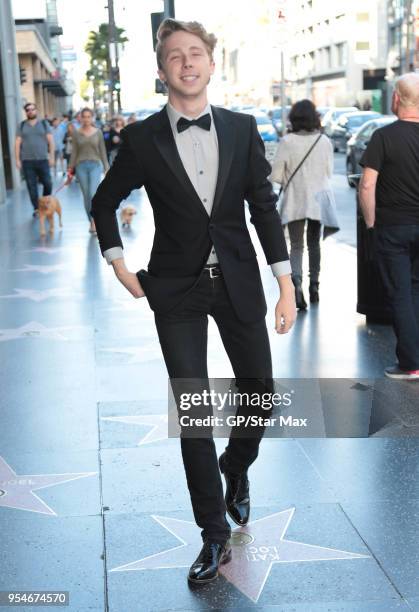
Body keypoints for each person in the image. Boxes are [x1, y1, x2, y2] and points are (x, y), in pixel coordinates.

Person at [91, 18, 296, 584]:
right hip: (175, 289)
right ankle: (212, 533)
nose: (186, 62)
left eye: (196, 52)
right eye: (175, 56)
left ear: (211, 63)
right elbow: (105, 200)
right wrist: (118, 263)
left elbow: (264, 208)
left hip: (238, 282)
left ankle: (237, 463)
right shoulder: (141, 139)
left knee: (261, 391)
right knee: (193, 411)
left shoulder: (241, 127)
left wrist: (286, 283)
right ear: (162, 72)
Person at [359, 72, 419, 380]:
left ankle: (410, 363)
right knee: (415, 291)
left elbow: (367, 185)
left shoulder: (384, 137)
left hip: (393, 227)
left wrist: (371, 224)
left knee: (400, 293)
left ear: (396, 99)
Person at [271, 99, 339, 309]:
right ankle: (315, 286)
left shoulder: (287, 141)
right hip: (319, 200)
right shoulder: (324, 141)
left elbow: (276, 175)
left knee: (297, 245)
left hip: (295, 200)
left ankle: (297, 284)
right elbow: (328, 171)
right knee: (314, 244)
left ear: (293, 118)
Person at [68, 107, 109, 234]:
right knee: (86, 196)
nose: (86, 119)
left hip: (95, 165)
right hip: (81, 166)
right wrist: (70, 168)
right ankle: (90, 220)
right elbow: (74, 151)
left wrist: (106, 168)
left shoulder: (98, 132)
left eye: (88, 117)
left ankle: (94, 221)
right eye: (84, 117)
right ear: (80, 118)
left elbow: (102, 151)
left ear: (92, 118)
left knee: (92, 193)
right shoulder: (76, 133)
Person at [15, 102, 55, 217]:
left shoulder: (43, 124)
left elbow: (50, 141)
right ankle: (37, 208)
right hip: (27, 161)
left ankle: (43, 202)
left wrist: (51, 157)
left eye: (32, 109)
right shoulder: (22, 125)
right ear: (26, 112)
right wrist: (17, 160)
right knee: (31, 187)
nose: (30, 111)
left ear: (36, 110)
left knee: (48, 183)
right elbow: (17, 143)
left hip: (43, 160)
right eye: (28, 110)